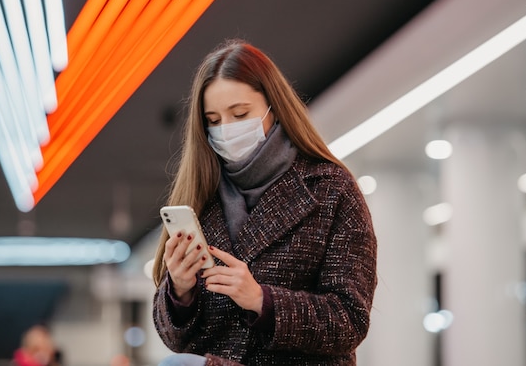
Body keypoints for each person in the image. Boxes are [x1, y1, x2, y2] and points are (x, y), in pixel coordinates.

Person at [152, 39, 378, 366]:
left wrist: (262, 301)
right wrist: (181, 293)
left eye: (240, 113)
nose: (226, 129)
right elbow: (175, 340)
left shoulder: (330, 189)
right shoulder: (200, 194)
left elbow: (350, 319)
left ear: (274, 106)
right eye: (213, 120)